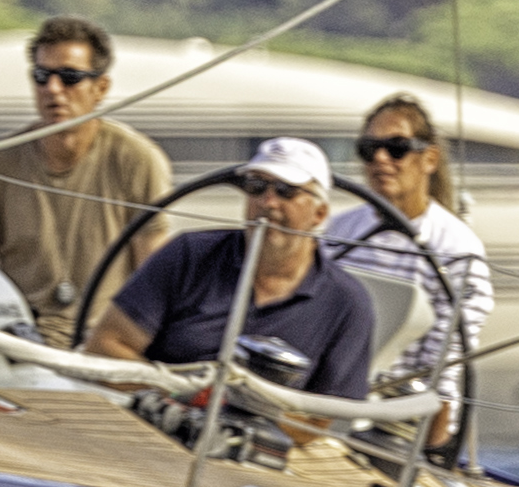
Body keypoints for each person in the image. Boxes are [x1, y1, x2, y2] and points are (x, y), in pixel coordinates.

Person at [92, 137, 380, 448]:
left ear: (320, 214)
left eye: (285, 191)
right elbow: (104, 347)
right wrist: (182, 396)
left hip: (259, 456)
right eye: (256, 187)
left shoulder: (347, 304)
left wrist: (240, 413)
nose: (267, 203)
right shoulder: (188, 254)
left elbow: (321, 421)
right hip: (151, 432)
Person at [0, 16, 172, 342]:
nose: (53, 89)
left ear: (101, 88)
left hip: (97, 344)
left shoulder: (136, 159)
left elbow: (153, 273)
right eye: (41, 76)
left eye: (69, 77)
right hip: (17, 339)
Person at [322, 91, 496, 444]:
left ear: (429, 158)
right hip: (321, 403)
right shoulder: (338, 232)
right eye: (369, 150)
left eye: (397, 147)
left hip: (394, 426)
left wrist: (432, 445)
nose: (381, 159)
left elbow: (445, 366)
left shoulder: (456, 249)